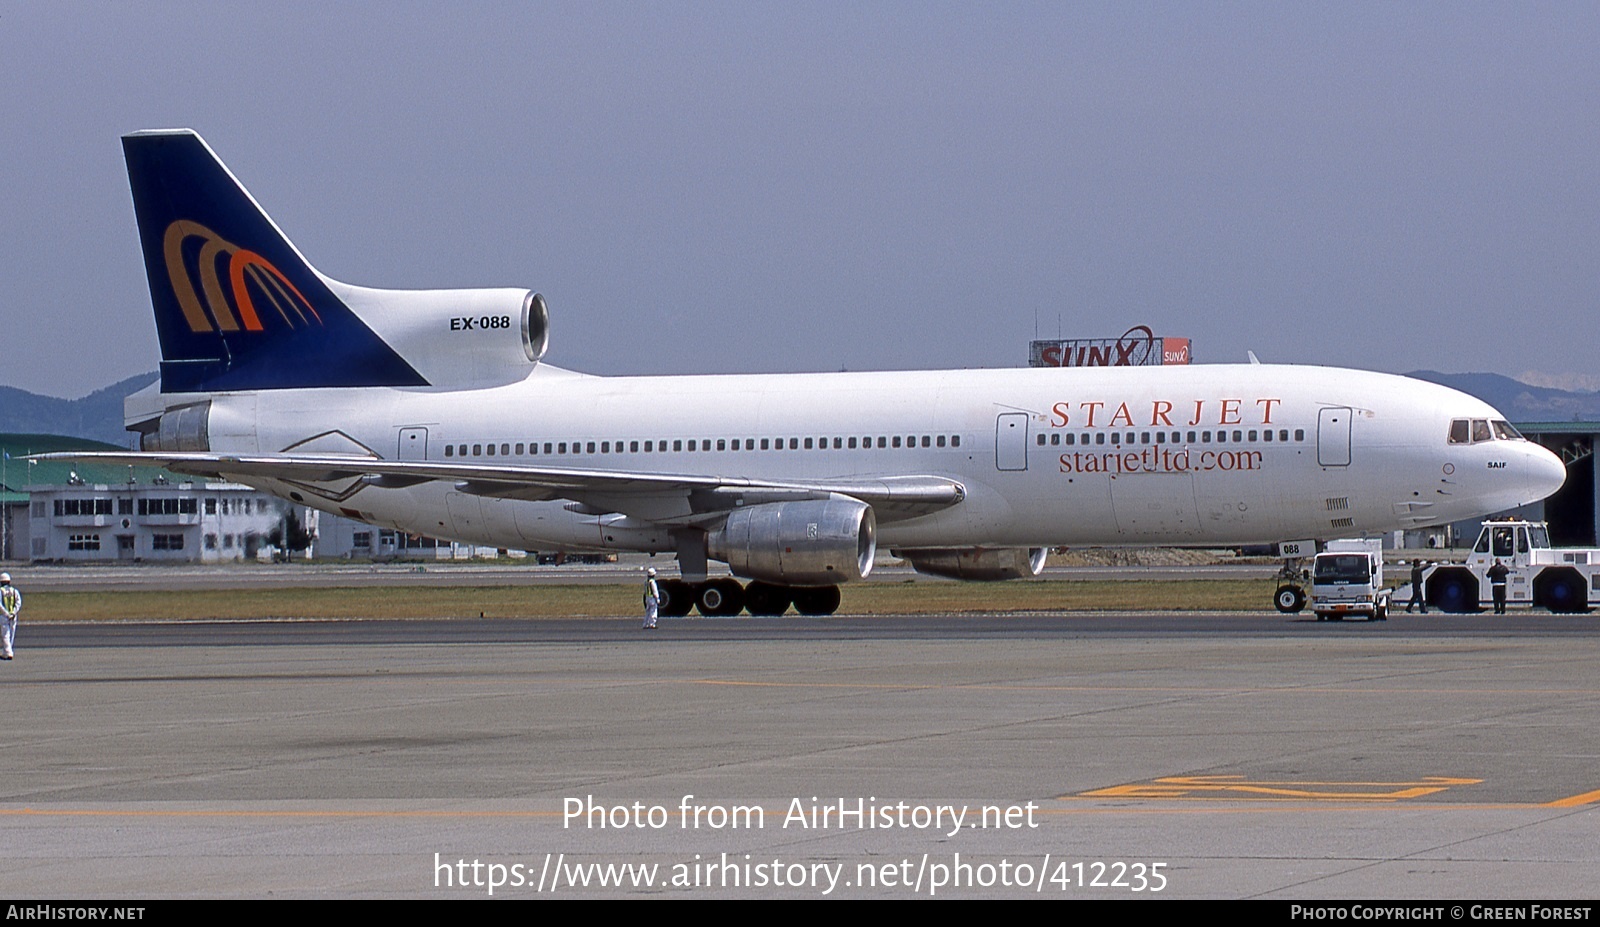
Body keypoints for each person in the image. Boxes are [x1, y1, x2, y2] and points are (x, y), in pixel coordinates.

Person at [0, 573, 19, 660]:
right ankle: (6, 652)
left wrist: (6, 614)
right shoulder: (14, 591)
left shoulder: (0, 591)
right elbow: (18, 603)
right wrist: (13, 613)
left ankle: (8, 652)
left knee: (5, 635)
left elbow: (0, 605)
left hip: (4, 616)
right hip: (13, 616)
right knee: (11, 634)